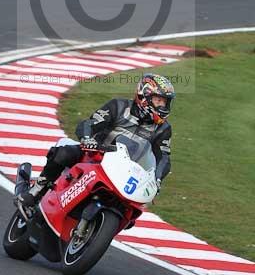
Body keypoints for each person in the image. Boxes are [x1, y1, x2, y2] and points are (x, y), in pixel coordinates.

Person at [16, 73, 175, 217]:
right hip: (95, 155)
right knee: (64, 153)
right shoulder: (118, 106)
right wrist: (87, 139)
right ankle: (36, 190)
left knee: (133, 211)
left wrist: (157, 179)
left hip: (126, 172)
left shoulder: (163, 129)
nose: (163, 106)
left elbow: (164, 157)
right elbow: (90, 123)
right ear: (144, 96)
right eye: (158, 100)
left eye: (165, 102)